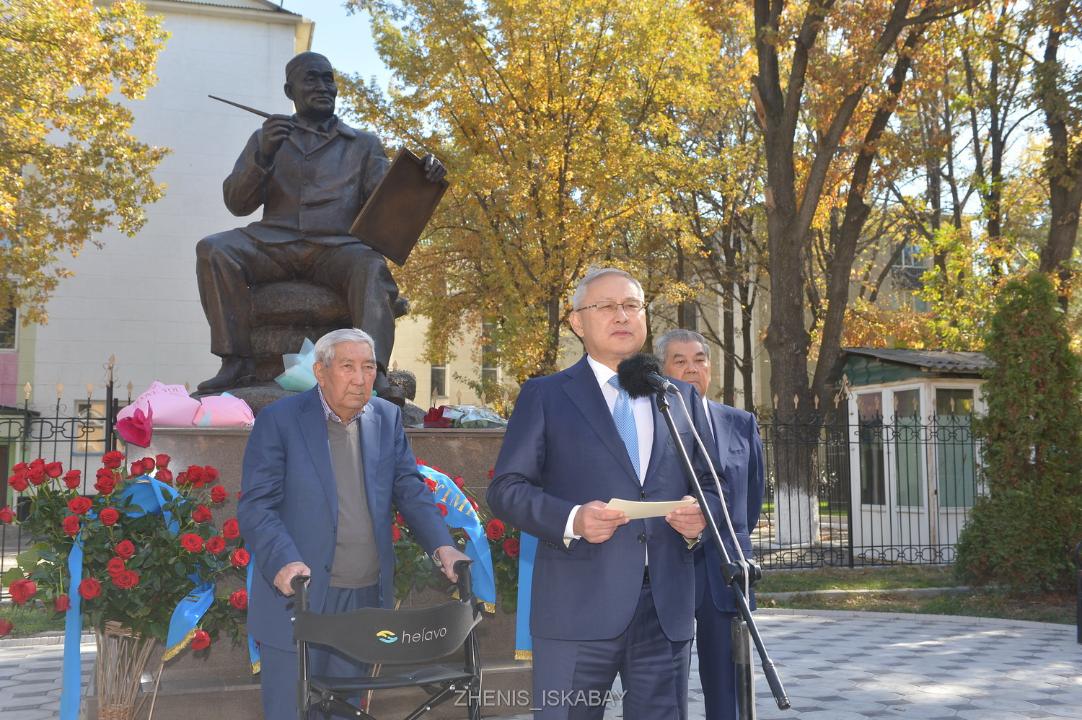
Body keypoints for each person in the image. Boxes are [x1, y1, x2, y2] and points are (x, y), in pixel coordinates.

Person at [487, 267, 718, 720]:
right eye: (606, 306)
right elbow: (506, 489)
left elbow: (710, 483)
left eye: (631, 305)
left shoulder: (677, 397)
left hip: (664, 609)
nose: (622, 315)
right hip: (577, 607)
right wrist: (572, 518)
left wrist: (700, 520)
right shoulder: (546, 395)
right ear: (577, 322)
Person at [238, 328, 469, 720]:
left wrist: (442, 545)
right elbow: (257, 506)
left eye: (368, 367)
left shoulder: (387, 417)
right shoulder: (280, 420)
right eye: (348, 366)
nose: (361, 378)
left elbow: (409, 489)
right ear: (321, 371)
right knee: (290, 710)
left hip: (363, 600)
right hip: (298, 597)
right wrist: (283, 562)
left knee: (346, 712)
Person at [196, 52, 446, 393]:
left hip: (337, 247)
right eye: (311, 79)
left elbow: (387, 203)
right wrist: (264, 155)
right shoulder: (266, 137)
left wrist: (422, 179)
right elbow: (237, 203)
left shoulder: (363, 144)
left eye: (328, 79)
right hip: (274, 242)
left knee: (371, 266)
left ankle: (375, 372)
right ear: (290, 90)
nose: (323, 86)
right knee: (214, 249)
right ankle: (237, 361)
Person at [657, 329, 764, 720]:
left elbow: (749, 502)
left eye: (699, 359)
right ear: (662, 370)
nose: (691, 369)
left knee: (728, 690)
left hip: (726, 573)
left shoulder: (740, 423)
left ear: (710, 367)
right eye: (679, 361)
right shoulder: (651, 425)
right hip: (670, 572)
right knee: (666, 688)